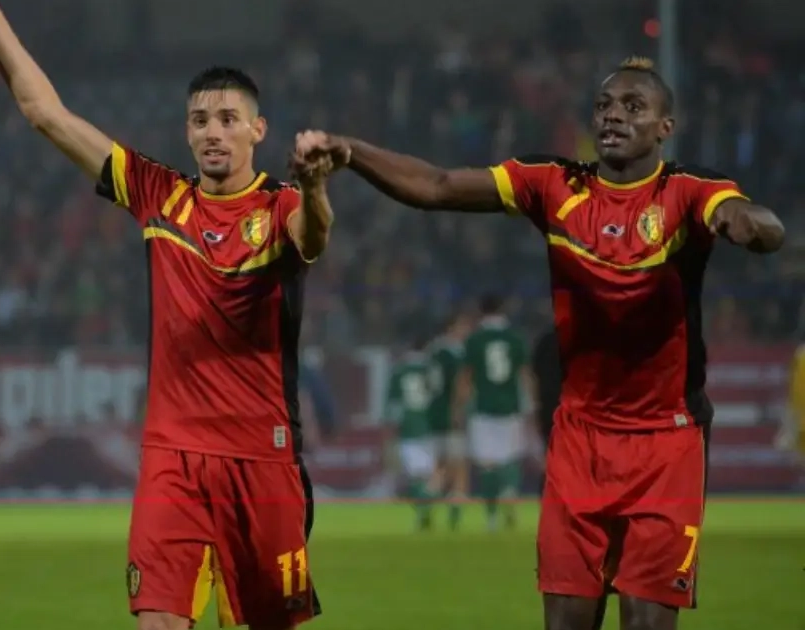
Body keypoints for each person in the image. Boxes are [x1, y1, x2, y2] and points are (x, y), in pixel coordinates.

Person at [293, 56, 784, 630]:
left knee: (647, 623)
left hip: (667, 441)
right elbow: (437, 186)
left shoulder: (688, 190)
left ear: (664, 127)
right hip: (579, 437)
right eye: (604, 106)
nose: (614, 116)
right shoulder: (554, 184)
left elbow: (753, 220)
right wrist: (350, 152)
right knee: (565, 622)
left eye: (633, 107)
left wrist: (749, 225)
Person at [0, 2, 334, 628]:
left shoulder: (281, 206)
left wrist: (316, 186)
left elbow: (314, 237)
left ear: (258, 130)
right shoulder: (159, 195)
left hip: (263, 459)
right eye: (200, 120)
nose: (213, 132)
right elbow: (45, 113)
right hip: (173, 458)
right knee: (158, 619)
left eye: (228, 119)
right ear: (187, 132)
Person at [455, 294, 536, 532]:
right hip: (511, 407)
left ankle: (491, 517)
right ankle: (509, 491)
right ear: (503, 309)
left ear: (481, 311)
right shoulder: (515, 338)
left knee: (487, 463)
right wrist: (532, 405)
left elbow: (465, 378)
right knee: (510, 458)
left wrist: (459, 408)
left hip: (483, 409)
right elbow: (526, 374)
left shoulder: (474, 340)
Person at [384, 338, 440, 530]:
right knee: (429, 474)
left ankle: (423, 511)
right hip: (430, 425)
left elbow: (392, 406)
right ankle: (427, 508)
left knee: (416, 476)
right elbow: (438, 395)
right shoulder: (430, 369)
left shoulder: (399, 371)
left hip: (408, 428)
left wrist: (391, 431)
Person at [425, 313, 473, 530]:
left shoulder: (433, 352)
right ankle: (456, 508)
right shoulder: (455, 354)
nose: (467, 331)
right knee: (459, 466)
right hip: (451, 415)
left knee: (440, 464)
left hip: (434, 415)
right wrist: (458, 412)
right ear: (452, 327)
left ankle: (427, 501)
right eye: (463, 326)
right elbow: (460, 386)